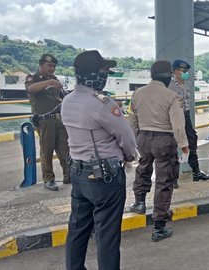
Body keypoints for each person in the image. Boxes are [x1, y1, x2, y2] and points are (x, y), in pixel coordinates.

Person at [61, 50, 137, 270]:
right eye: (104, 71)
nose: (106, 75)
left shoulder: (67, 101)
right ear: (94, 74)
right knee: (107, 234)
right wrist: (130, 157)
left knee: (77, 227)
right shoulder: (102, 103)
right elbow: (127, 138)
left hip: (78, 171)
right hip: (105, 176)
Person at [128, 60, 189, 242]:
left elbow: (132, 121)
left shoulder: (137, 94)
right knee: (164, 180)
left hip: (143, 138)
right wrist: (184, 146)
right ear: (169, 76)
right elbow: (178, 125)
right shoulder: (172, 96)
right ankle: (159, 225)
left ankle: (139, 203)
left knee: (143, 169)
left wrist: (135, 141)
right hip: (165, 140)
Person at [25, 53, 70, 191]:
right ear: (41, 65)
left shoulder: (54, 79)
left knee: (65, 150)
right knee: (47, 151)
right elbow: (31, 89)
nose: (52, 69)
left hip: (59, 119)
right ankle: (49, 179)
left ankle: (69, 175)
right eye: (49, 65)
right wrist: (49, 83)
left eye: (54, 66)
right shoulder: (33, 78)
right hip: (45, 120)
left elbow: (64, 96)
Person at [169, 60, 209, 186]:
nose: (185, 73)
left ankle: (196, 172)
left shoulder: (186, 84)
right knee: (172, 145)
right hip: (174, 116)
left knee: (192, 140)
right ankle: (172, 178)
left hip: (185, 115)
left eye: (186, 71)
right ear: (175, 71)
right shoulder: (169, 86)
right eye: (183, 71)